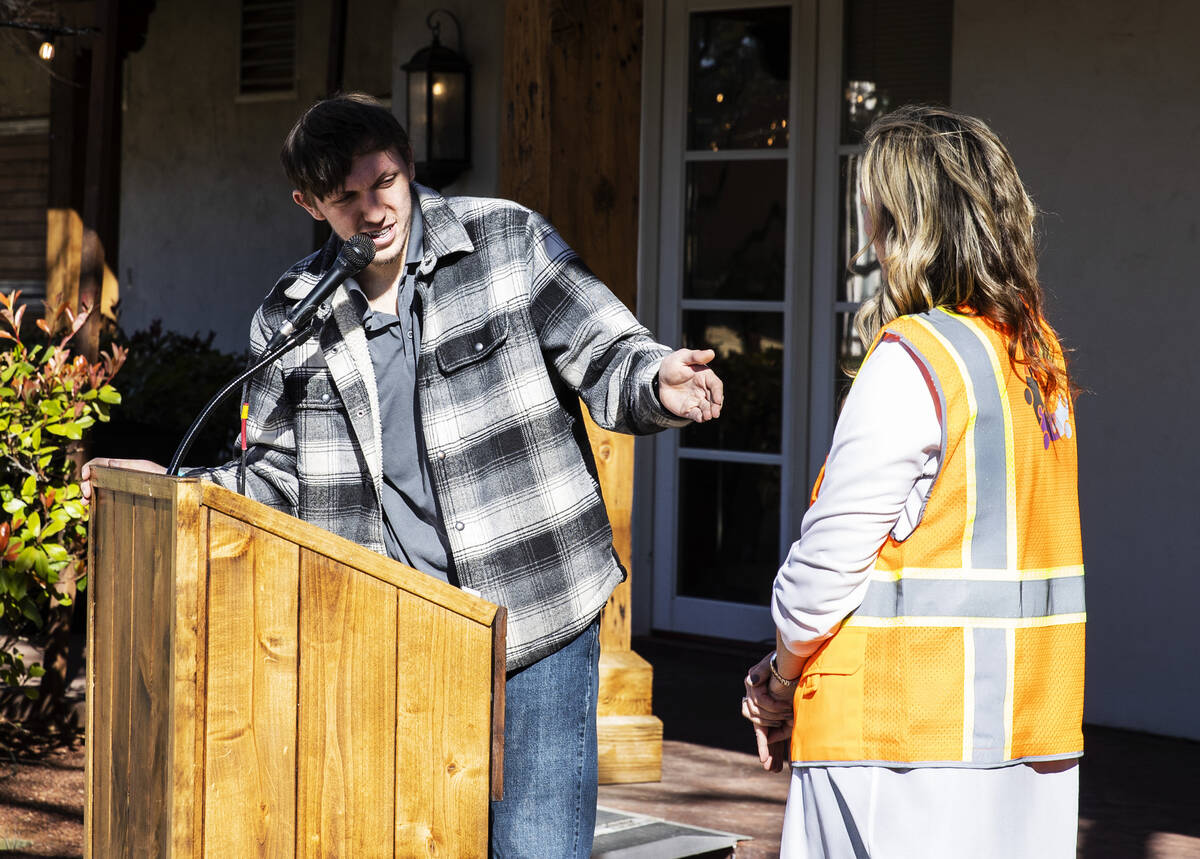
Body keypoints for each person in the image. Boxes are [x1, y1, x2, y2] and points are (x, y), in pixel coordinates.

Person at [82, 92, 724, 858]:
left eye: (383, 182)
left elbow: (607, 347)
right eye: (344, 197)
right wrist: (174, 484)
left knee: (537, 849)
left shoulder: (507, 240)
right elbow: (276, 484)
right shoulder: (289, 317)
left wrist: (660, 383)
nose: (372, 209)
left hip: (536, 614)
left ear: (409, 168)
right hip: (396, 638)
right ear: (310, 205)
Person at [741, 105, 1084, 858]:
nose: (867, 236)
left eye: (872, 214)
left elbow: (820, 581)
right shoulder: (1036, 360)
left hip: (897, 747)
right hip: (1030, 737)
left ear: (906, 224)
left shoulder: (914, 358)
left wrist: (775, 679)